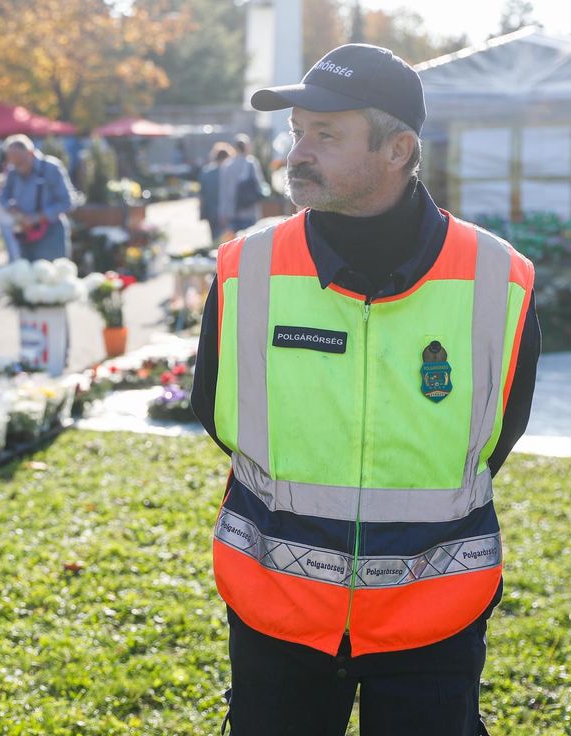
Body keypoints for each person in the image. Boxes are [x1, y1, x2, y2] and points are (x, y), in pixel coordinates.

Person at [190, 43, 541, 736]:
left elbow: (500, 430)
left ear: (398, 148)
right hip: (275, 615)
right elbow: (215, 409)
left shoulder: (501, 279)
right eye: (296, 132)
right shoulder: (244, 268)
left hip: (433, 622)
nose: (298, 152)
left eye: (326, 134)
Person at [0, 134, 76, 261]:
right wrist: (13, 210)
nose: (17, 167)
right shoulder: (13, 171)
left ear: (30, 153)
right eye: (13, 163)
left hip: (51, 234)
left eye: (20, 162)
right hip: (24, 233)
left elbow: (67, 202)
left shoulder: (51, 168)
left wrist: (38, 217)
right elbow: (3, 195)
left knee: (50, 277)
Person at [217, 134, 266, 234]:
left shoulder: (227, 165)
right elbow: (259, 184)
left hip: (231, 211)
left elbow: (223, 191)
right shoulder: (251, 163)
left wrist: (222, 212)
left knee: (235, 243)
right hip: (249, 210)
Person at [199, 141, 233, 243]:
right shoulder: (229, 172)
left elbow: (202, 195)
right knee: (229, 240)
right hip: (227, 212)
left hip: (211, 211)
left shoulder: (206, 172)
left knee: (214, 240)